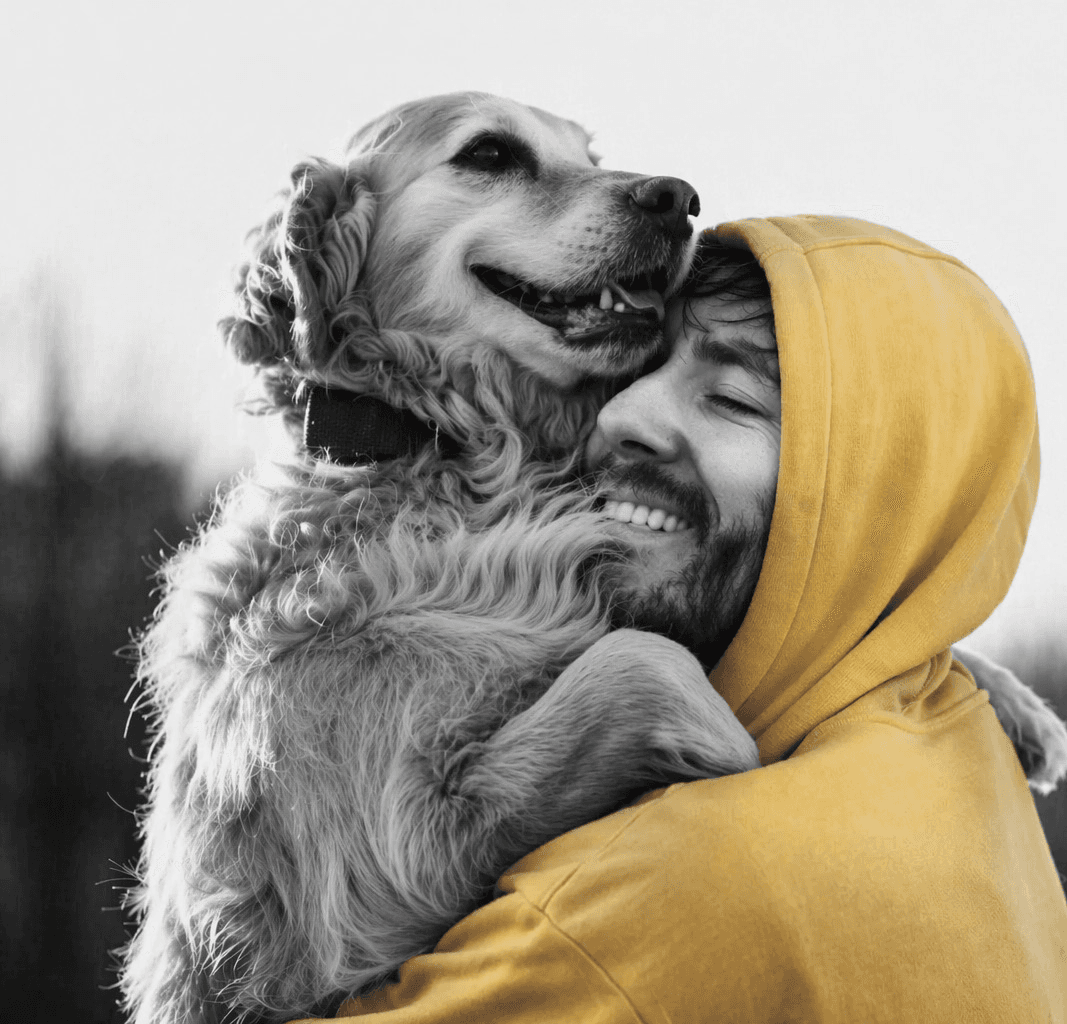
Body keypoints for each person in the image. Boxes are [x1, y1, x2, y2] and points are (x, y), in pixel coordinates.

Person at [295, 216, 1067, 1022]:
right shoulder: (968, 770)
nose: (620, 416)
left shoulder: (675, 891)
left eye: (731, 399)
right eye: (634, 366)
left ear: (871, 511)